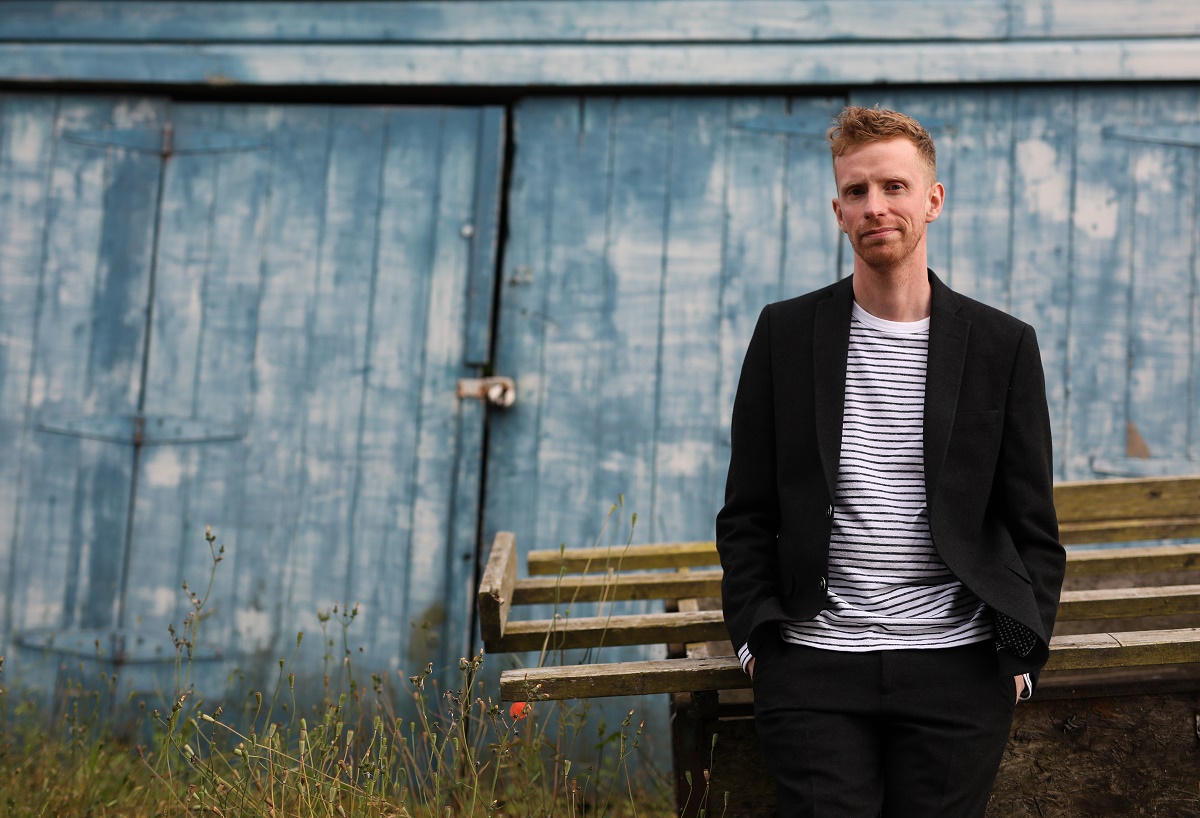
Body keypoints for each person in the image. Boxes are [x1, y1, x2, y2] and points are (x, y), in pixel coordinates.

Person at [715, 105, 1066, 818]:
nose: (876, 206)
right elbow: (747, 510)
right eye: (856, 192)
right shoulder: (784, 333)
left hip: (958, 666)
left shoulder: (1003, 345)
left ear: (932, 200)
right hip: (813, 663)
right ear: (838, 211)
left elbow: (1031, 520)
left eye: (895, 187)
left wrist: (1021, 659)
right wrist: (759, 642)